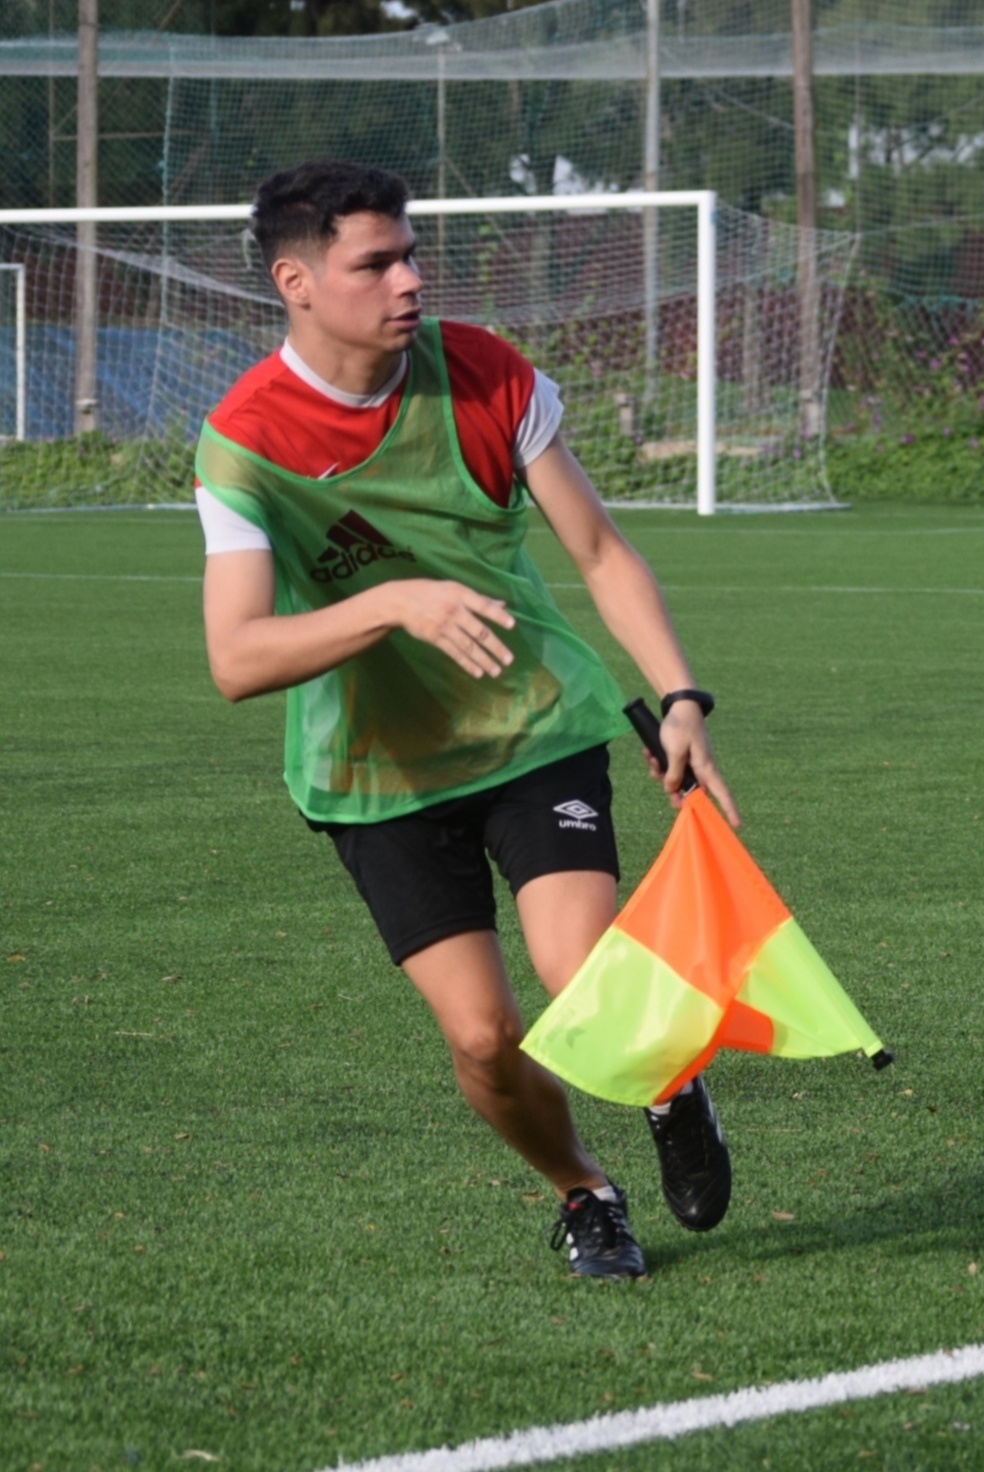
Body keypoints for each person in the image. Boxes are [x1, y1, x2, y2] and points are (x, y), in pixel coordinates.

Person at [198, 160, 740, 1280]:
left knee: (580, 965)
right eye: (377, 262)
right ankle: (585, 1191)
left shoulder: (486, 372)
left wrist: (682, 695)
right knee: (485, 1040)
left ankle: (674, 1076)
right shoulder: (244, 441)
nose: (410, 278)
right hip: (376, 774)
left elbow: (598, 551)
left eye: (411, 252)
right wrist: (392, 600)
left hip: (532, 728)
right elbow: (237, 657)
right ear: (297, 281)